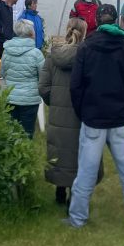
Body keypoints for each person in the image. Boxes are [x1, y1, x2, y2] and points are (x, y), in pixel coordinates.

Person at [66, 4, 124, 233]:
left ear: (98, 22)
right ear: (115, 21)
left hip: (93, 118)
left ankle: (77, 218)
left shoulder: (86, 48)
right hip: (119, 117)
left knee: (86, 171)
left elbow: (76, 86)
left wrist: (83, 111)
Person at [39, 18, 92, 206]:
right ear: (84, 32)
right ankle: (74, 195)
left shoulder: (52, 56)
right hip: (80, 113)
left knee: (59, 151)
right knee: (77, 152)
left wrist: (54, 103)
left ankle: (59, 192)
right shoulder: (88, 56)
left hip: (57, 114)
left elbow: (43, 87)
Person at [0, 19, 44, 137]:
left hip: (10, 97)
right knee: (27, 133)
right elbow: (43, 76)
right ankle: (24, 154)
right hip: (29, 99)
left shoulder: (6, 51)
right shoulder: (36, 53)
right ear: (31, 34)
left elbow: (3, 73)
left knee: (10, 133)